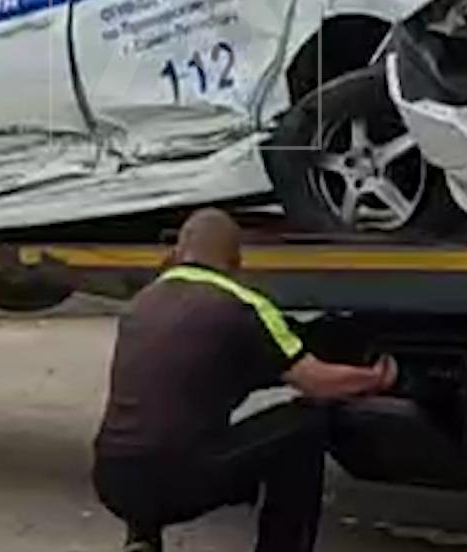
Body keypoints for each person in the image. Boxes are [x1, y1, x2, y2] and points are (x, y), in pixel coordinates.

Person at [92, 208, 397, 552]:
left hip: (112, 480)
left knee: (157, 416)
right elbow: (317, 382)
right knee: (305, 426)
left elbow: (211, 374)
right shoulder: (243, 307)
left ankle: (143, 540)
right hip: (177, 482)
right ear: (236, 261)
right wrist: (375, 377)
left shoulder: (142, 304)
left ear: (176, 253)